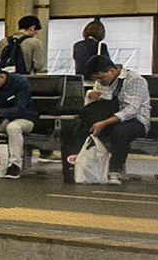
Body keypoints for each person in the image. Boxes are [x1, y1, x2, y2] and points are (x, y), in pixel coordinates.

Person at [59, 54, 149, 185]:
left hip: (136, 120)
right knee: (76, 127)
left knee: (120, 132)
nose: (99, 81)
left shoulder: (135, 80)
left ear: (112, 71)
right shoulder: (105, 81)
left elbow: (131, 110)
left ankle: (115, 170)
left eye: (100, 78)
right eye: (96, 79)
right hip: (110, 116)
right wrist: (91, 95)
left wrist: (104, 123)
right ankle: (77, 167)